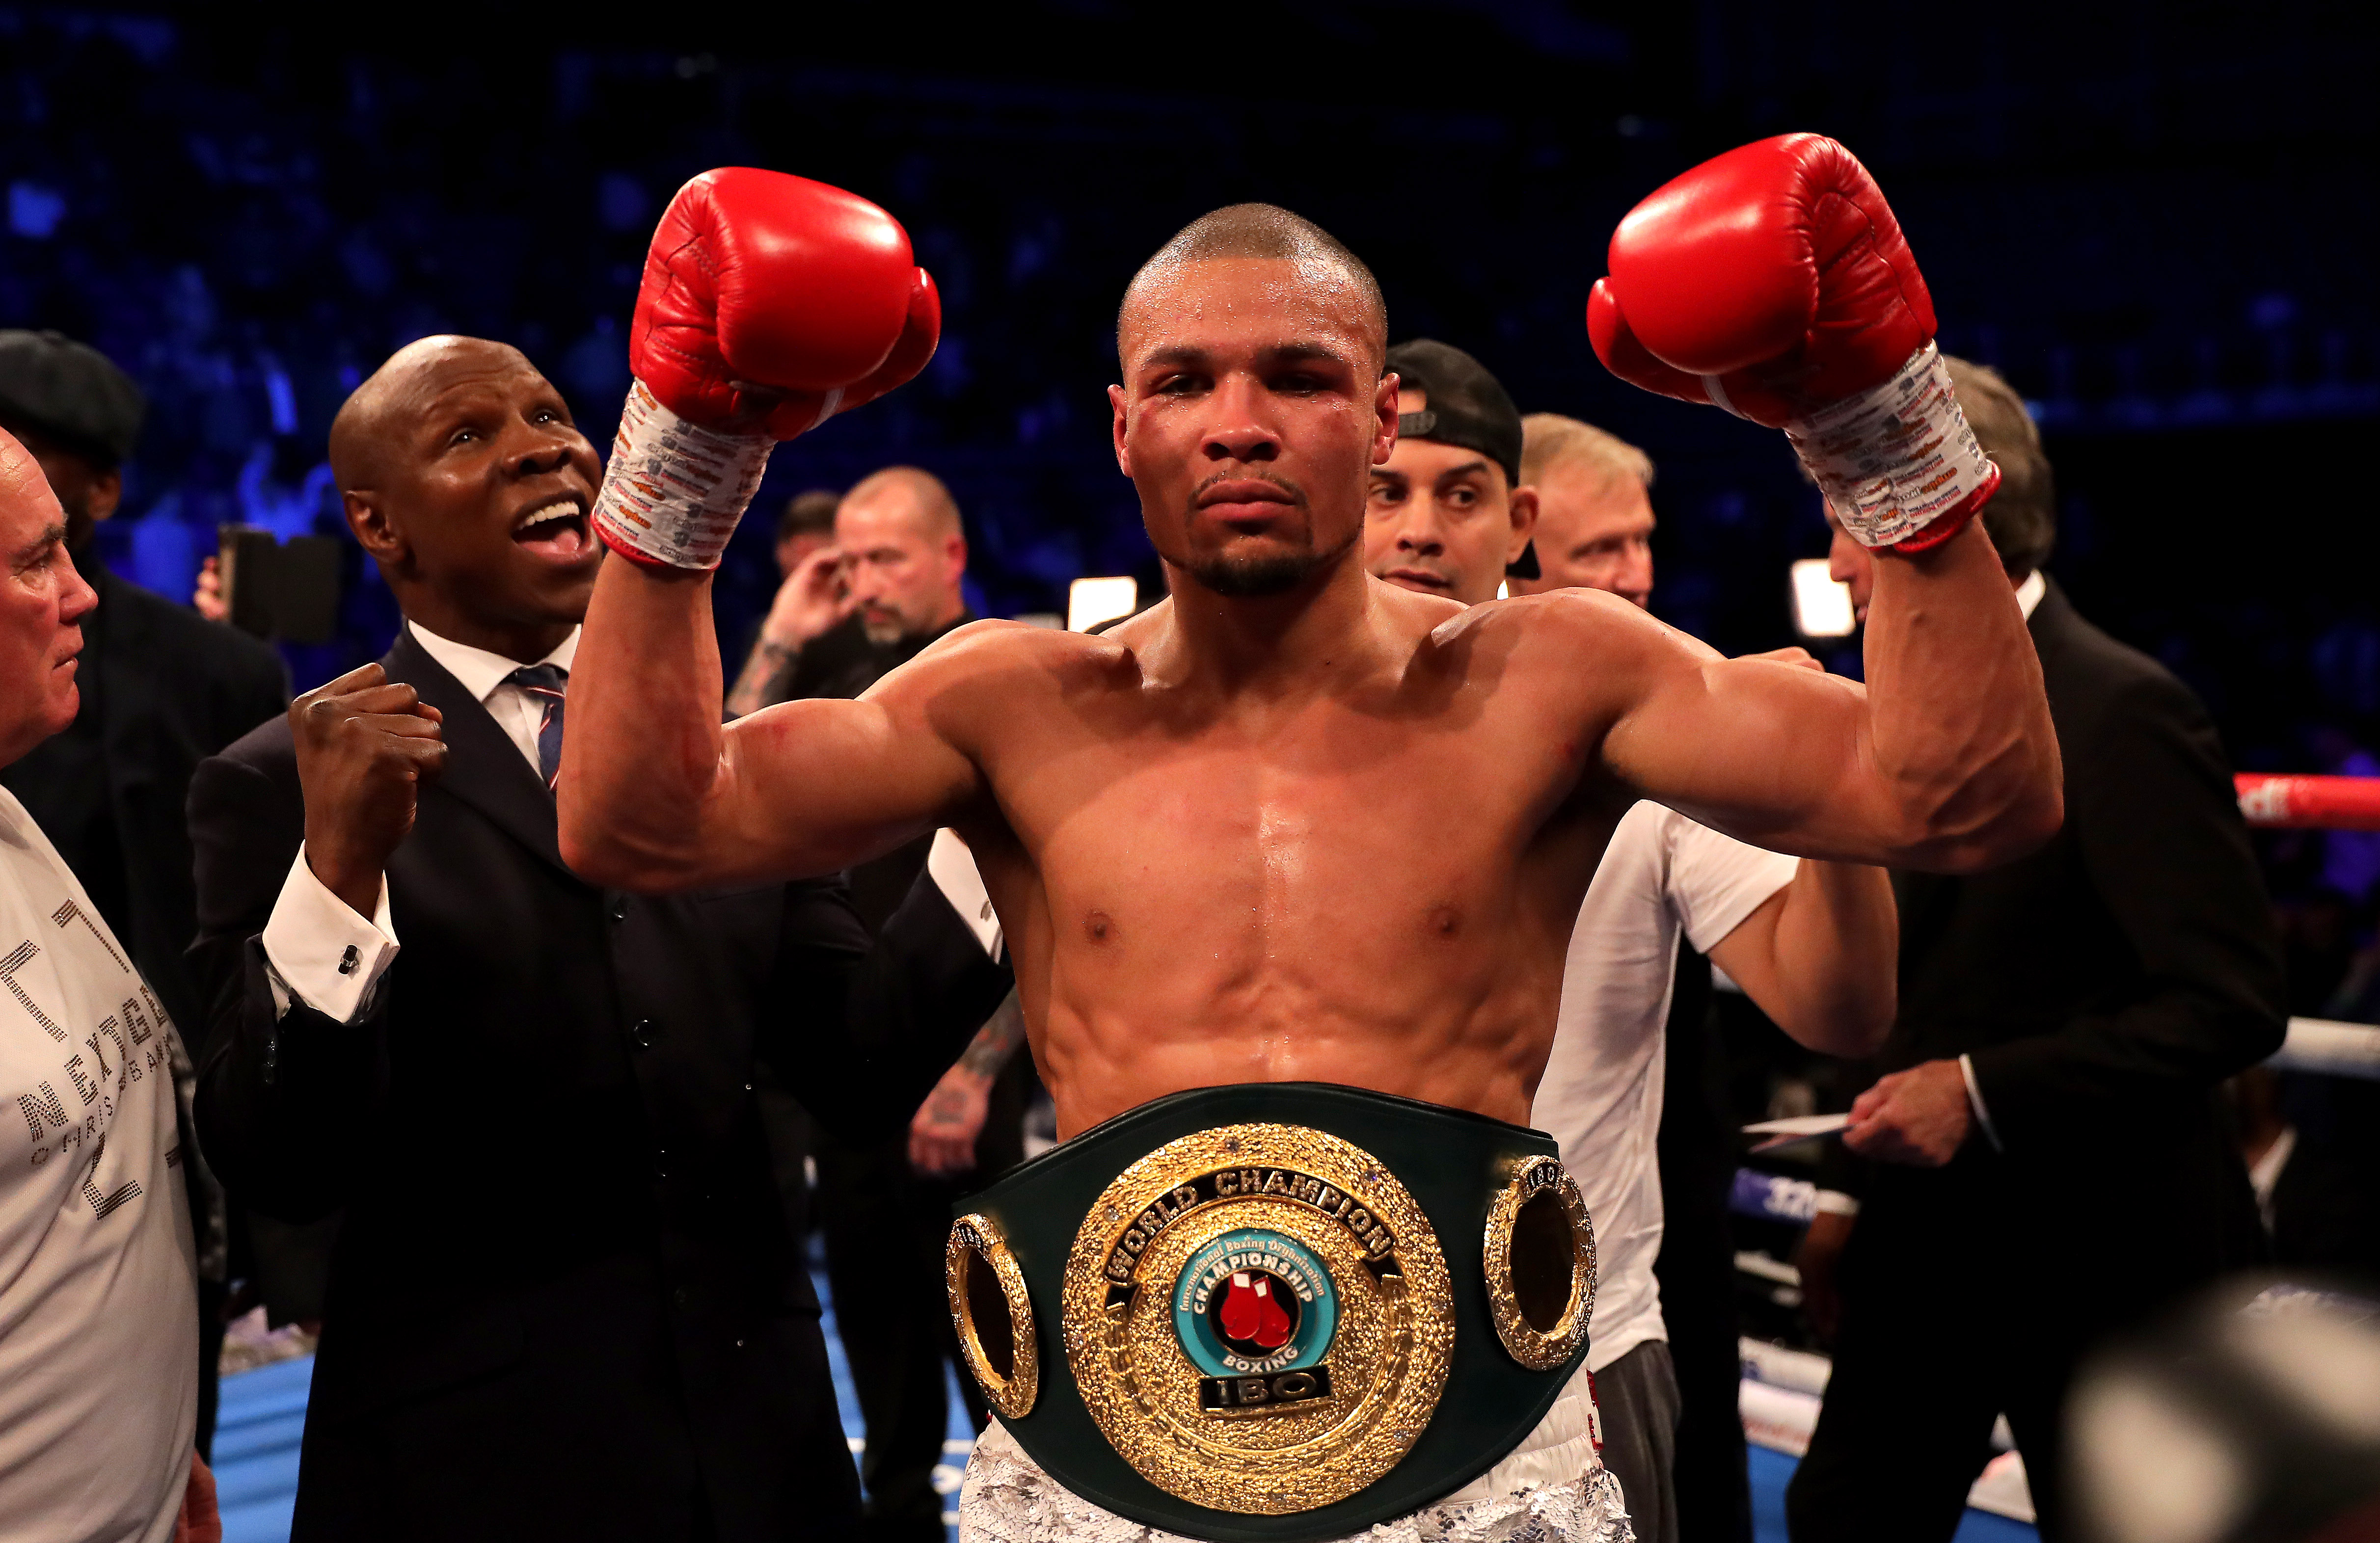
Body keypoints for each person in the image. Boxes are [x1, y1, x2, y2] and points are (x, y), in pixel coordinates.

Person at [561, 147, 2058, 1541]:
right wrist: (688, 450)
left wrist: (1876, 425)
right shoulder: (1001, 700)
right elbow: (639, 821)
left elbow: (1962, 798)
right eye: (1183, 380)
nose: (1238, 422)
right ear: (1120, 425)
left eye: (1297, 375)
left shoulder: (1557, 677)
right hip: (1106, 1465)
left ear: (1383, 415)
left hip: (1477, 1463)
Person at [185, 335, 991, 1543]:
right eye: (469, 437)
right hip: (472, 1475)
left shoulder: (712, 752)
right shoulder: (278, 785)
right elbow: (282, 1163)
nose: (543, 447)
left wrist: (995, 818)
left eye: (553, 416)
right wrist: (338, 868)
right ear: (379, 524)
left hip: (761, 1454)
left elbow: (859, 1066)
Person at [1366, 346, 1896, 1543]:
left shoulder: (1650, 720)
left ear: (1515, 523)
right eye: (1383, 492)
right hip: (1309, 1357)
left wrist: (1832, 795)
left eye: (1457, 495)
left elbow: (1837, 1008)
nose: (1414, 530)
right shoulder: (1224, 726)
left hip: (1578, 1357)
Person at [1785, 358, 2288, 1543]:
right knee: (1842, 1519)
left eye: (1851, 528)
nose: (1839, 565)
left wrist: (1980, 1091)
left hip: (2102, 1253)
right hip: (1925, 1247)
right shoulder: (1877, 707)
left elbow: (2229, 1000)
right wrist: (1845, 1194)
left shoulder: (2118, 706)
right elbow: (1902, 999)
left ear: (1955, 509)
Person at [0, 327, 288, 1454]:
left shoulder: (215, 673)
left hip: (179, 1144)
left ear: (101, 492)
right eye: (30, 562)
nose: (67, 598)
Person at [0, 428, 218, 1543]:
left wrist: (152, 1433)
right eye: (37, 561)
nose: (84, 595)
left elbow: (73, 1190)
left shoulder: (8, 805)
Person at [724, 467, 969, 728]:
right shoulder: (823, 658)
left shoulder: (992, 669)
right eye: (850, 563)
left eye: (885, 559)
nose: (864, 591)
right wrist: (782, 635)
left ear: (952, 558)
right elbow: (729, 761)